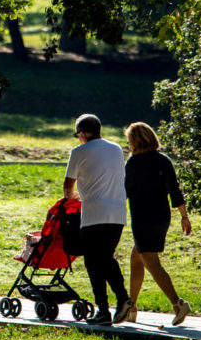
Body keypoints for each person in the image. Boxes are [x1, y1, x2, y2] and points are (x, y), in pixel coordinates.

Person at [63, 113, 134, 325]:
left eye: (78, 135)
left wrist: (74, 197)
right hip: (118, 212)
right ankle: (117, 303)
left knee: (94, 262)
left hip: (94, 213)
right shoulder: (116, 149)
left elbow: (68, 187)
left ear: (83, 133)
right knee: (105, 257)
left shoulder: (79, 151)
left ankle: (110, 305)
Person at [123, 121, 192, 326]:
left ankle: (178, 304)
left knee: (151, 262)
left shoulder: (133, 163)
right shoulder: (163, 160)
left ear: (134, 142)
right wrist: (184, 217)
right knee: (137, 258)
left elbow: (123, 193)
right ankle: (131, 307)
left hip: (143, 218)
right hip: (162, 217)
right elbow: (175, 190)